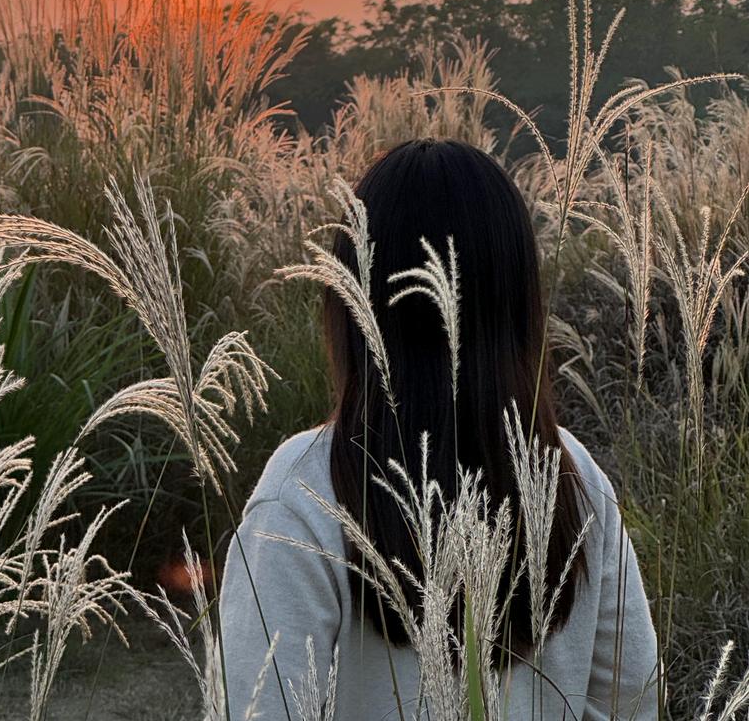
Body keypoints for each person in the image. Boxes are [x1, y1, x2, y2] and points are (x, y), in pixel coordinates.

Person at [218, 137, 660, 720]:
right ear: (517, 299)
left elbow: (259, 707)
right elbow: (629, 695)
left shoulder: (304, 492)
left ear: (353, 299)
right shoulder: (570, 472)